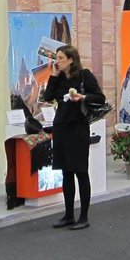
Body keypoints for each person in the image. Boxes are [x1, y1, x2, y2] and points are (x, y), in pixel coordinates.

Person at [40, 45, 104, 231]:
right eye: (57, 58)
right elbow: (48, 97)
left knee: (81, 172)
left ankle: (83, 217)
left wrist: (83, 97)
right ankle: (68, 214)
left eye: (61, 58)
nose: (57, 61)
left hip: (78, 128)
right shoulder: (58, 77)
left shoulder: (84, 75)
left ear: (71, 59)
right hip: (61, 127)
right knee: (66, 172)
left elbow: (99, 97)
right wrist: (53, 76)